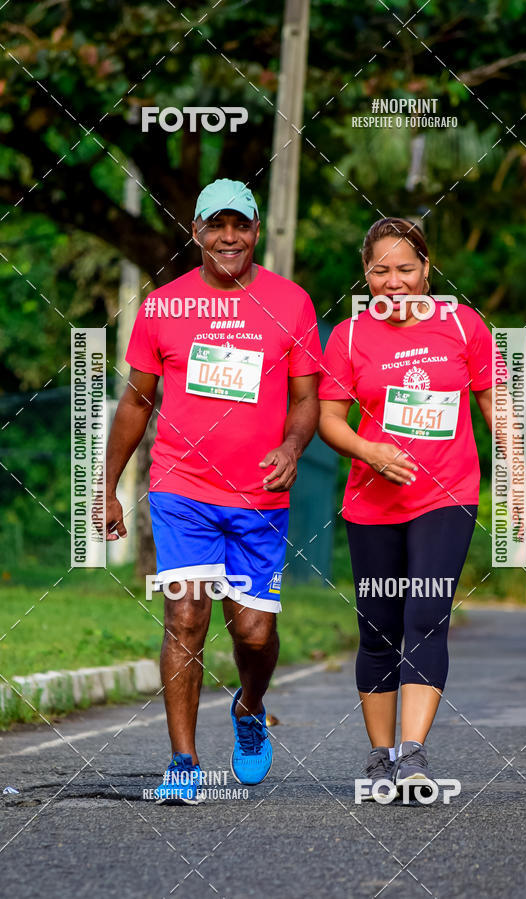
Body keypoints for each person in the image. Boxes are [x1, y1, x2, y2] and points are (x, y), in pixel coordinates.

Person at [103, 179, 321, 804]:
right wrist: (108, 486)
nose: (229, 236)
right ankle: (183, 761)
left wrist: (291, 447)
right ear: (195, 230)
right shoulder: (164, 307)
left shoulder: (292, 304)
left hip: (259, 497)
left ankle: (250, 709)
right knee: (185, 615)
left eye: (241, 225)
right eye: (215, 224)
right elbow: (137, 400)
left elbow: (306, 399)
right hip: (182, 488)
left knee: (253, 632)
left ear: (256, 232)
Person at [318, 216, 526, 800]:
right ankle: (379, 758)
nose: (394, 282)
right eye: (381, 270)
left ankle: (413, 756)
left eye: (406, 269)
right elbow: (328, 419)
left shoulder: (463, 325)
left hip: (447, 494)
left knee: (426, 616)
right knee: (379, 628)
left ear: (427, 269)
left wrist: (518, 481)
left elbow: (497, 405)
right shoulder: (349, 337)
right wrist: (370, 451)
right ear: (366, 274)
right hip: (372, 502)